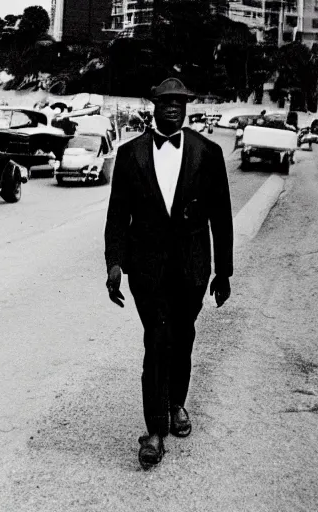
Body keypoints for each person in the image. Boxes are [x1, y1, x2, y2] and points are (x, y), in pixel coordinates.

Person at [104, 78, 233, 469]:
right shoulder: (130, 155)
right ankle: (155, 431)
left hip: (192, 268)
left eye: (180, 102)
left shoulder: (207, 153)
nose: (173, 108)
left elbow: (222, 217)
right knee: (157, 342)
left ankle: (177, 403)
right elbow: (116, 217)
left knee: (183, 338)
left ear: (186, 107)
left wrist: (223, 273)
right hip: (147, 270)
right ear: (154, 106)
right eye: (166, 102)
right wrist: (113, 263)